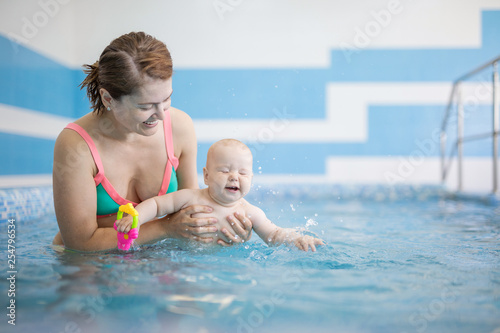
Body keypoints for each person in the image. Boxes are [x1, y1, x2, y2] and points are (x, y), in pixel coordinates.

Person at [52, 32, 252, 251]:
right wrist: (166, 228)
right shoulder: (76, 145)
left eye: (166, 100)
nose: (162, 115)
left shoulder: (179, 127)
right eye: (145, 107)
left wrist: (229, 226)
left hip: (151, 261)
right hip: (87, 264)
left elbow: (193, 210)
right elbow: (80, 243)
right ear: (108, 98)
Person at [116, 139, 325, 252]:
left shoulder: (250, 212)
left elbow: (274, 235)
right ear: (206, 176)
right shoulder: (190, 198)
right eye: (225, 171)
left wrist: (297, 238)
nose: (234, 177)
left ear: (251, 178)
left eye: (243, 173)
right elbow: (156, 205)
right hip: (180, 255)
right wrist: (135, 219)